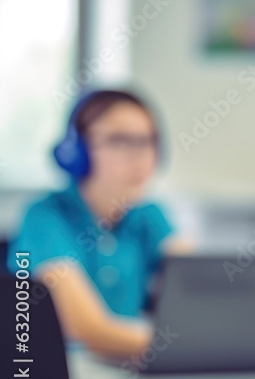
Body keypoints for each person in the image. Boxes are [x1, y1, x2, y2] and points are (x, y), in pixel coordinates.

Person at [7, 89, 182, 358]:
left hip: (127, 363)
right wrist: (189, 343)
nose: (140, 156)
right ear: (77, 151)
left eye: (147, 141)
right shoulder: (44, 218)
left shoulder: (149, 215)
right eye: (120, 140)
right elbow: (88, 330)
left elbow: (201, 291)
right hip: (58, 377)